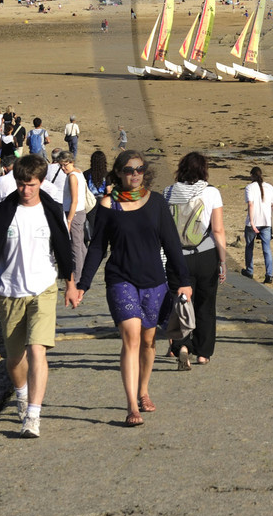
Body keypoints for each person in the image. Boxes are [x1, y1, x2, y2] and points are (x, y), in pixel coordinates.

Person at [68, 152, 191, 426]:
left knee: (148, 342)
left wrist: (184, 281)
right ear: (119, 173)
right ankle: (131, 405)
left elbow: (172, 244)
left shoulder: (157, 202)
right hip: (121, 279)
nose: (134, 174)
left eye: (139, 169)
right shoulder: (108, 205)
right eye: (128, 170)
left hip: (154, 282)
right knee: (131, 338)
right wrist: (83, 284)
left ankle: (144, 390)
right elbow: (98, 247)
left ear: (144, 172)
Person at [0, 155, 74, 438]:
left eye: (30, 184)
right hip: (9, 291)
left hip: (43, 288)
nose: (25, 190)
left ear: (40, 182)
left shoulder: (52, 212)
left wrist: (71, 283)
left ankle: (33, 415)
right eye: (20, 184)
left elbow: (65, 251)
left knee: (37, 350)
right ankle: (21, 393)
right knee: (15, 359)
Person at [164, 152, 227, 367]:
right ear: (203, 169)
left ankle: (182, 345)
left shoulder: (168, 192)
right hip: (206, 254)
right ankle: (203, 353)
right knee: (206, 304)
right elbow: (218, 230)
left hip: (177, 257)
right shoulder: (211, 192)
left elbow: (164, 231)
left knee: (180, 302)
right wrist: (223, 261)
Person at [242, 166, 273, 283]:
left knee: (249, 246)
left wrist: (252, 222)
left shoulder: (249, 188)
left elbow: (250, 205)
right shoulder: (270, 187)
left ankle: (250, 270)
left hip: (254, 222)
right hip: (266, 222)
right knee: (266, 248)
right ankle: (269, 274)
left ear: (251, 175)